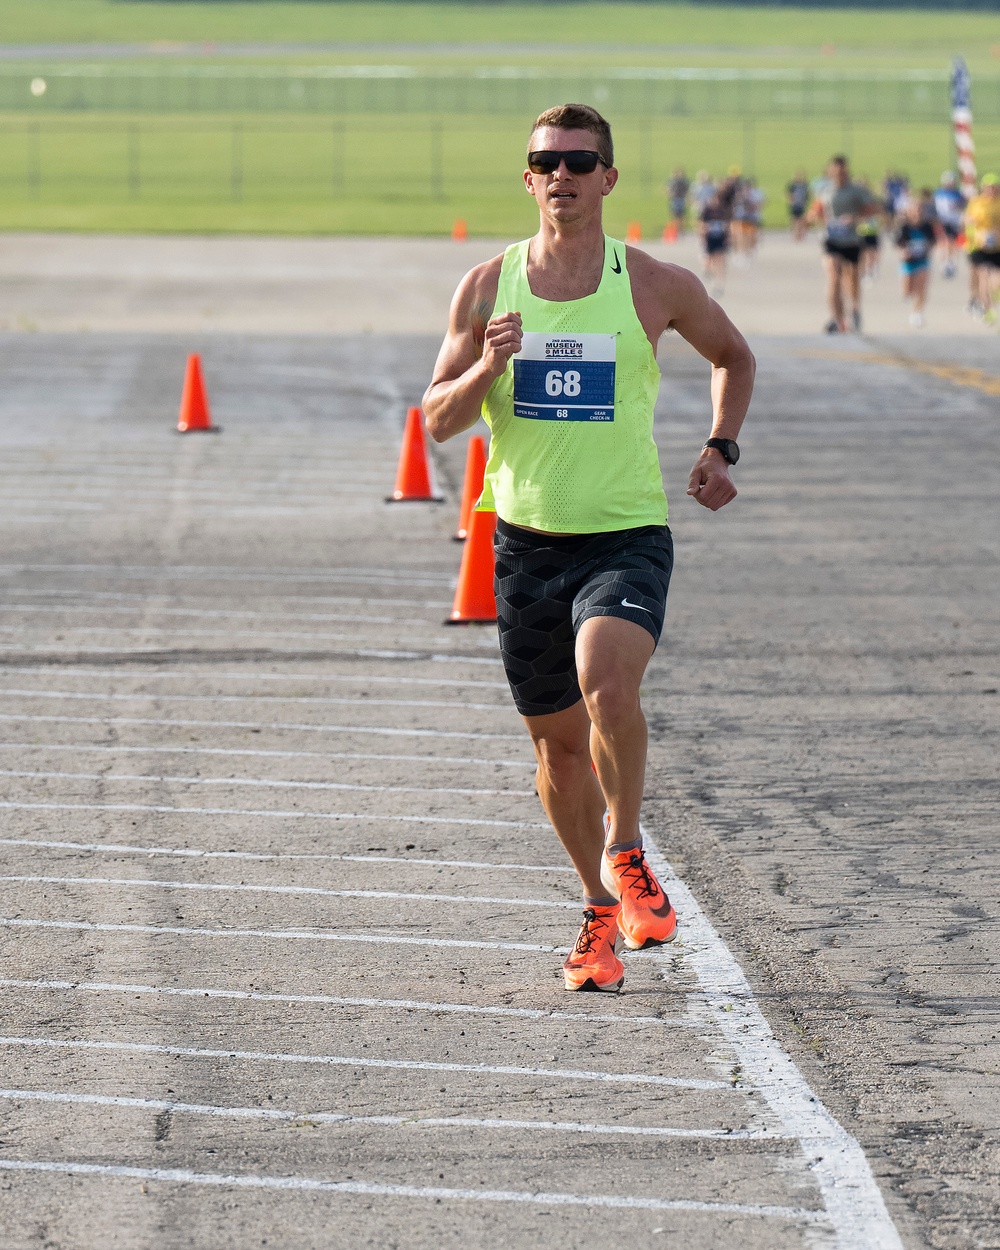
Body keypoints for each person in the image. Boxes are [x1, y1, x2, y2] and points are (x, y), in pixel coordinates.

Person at [423, 103, 755, 993]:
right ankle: (597, 911)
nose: (561, 176)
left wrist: (720, 446)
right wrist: (488, 370)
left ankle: (628, 849)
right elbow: (437, 423)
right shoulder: (487, 287)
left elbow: (735, 355)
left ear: (609, 177)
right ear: (528, 179)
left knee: (609, 685)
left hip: (625, 535)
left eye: (580, 162)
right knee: (559, 755)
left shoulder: (653, 283)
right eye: (546, 163)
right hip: (525, 545)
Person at [806, 154, 882, 333]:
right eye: (836, 172)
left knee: (853, 278)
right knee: (833, 276)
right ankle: (836, 318)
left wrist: (854, 218)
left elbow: (873, 210)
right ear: (831, 171)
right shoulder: (824, 189)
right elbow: (816, 209)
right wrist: (810, 219)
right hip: (831, 239)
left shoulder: (857, 190)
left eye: (842, 172)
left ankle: (855, 309)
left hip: (851, 239)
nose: (839, 175)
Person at [963, 173, 1000, 324]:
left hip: (996, 246)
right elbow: (968, 221)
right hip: (979, 246)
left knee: (996, 280)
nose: (991, 191)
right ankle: (987, 310)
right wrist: (977, 235)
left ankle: (986, 301)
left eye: (994, 188)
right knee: (983, 276)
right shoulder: (976, 202)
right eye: (988, 188)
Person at [894, 195, 936, 326]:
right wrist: (903, 252)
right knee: (908, 291)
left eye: (919, 210)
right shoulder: (904, 227)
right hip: (908, 262)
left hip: (922, 260)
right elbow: (898, 243)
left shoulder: (927, 226)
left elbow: (932, 241)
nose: (917, 212)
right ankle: (909, 298)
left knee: (922, 288)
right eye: (914, 210)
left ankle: (917, 313)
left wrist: (927, 247)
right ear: (909, 211)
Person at [698, 189, 731, 296]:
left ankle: (719, 283)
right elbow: (701, 224)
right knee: (710, 259)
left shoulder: (723, 211)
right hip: (710, 238)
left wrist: (728, 238)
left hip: (720, 238)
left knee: (720, 261)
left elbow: (727, 226)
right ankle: (710, 273)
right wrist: (703, 235)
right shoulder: (707, 211)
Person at [933, 172, 965, 279]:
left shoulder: (958, 194)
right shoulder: (939, 193)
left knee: (954, 242)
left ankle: (950, 261)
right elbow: (936, 208)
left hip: (954, 221)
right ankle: (945, 262)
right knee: (945, 241)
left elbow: (962, 207)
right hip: (943, 221)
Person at [666, 166, 690, 235]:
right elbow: (668, 189)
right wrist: (670, 194)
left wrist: (687, 198)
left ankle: (681, 229)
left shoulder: (684, 182)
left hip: (681, 199)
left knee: (681, 215)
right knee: (675, 215)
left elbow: (687, 190)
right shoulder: (672, 181)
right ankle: (675, 229)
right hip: (675, 199)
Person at [787, 171, 810, 240]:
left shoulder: (804, 185)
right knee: (794, 220)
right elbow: (789, 195)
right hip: (795, 205)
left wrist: (805, 201)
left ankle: (800, 234)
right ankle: (795, 234)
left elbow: (807, 195)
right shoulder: (793, 185)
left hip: (801, 205)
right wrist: (791, 202)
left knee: (801, 220)